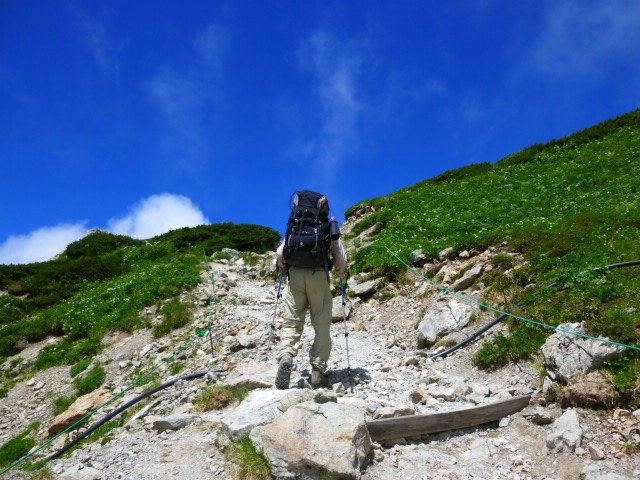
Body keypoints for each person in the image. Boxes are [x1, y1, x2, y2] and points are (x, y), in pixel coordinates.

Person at [274, 191, 348, 389]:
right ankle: (317, 371)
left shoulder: (295, 225)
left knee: (292, 321)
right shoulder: (327, 226)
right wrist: (341, 275)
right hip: (318, 276)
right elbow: (340, 257)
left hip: (295, 276)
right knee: (321, 323)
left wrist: (284, 270)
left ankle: (286, 356)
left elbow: (281, 253)